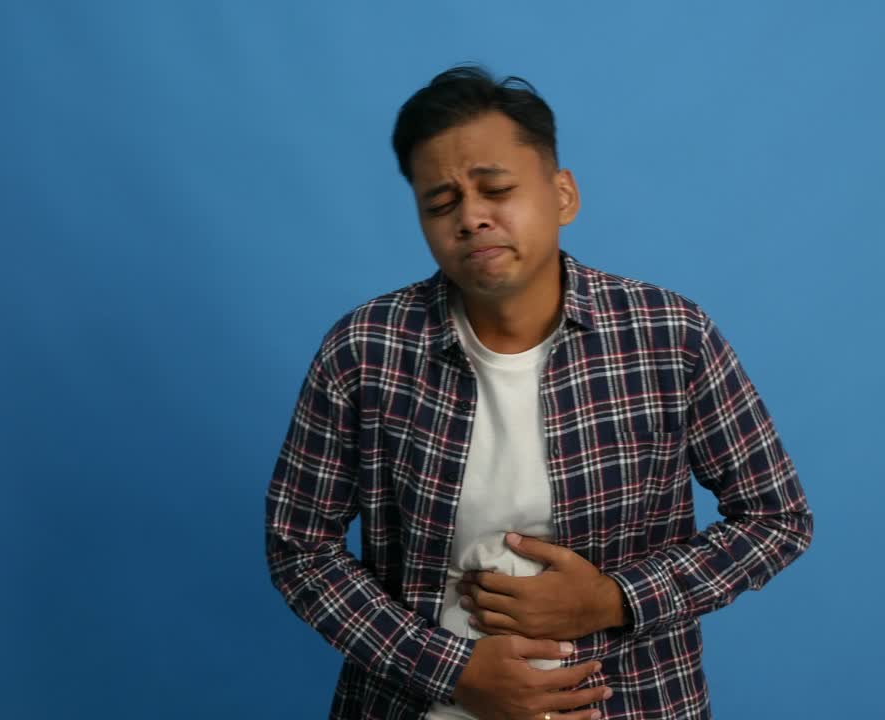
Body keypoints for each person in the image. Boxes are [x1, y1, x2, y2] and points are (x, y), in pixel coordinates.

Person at [265, 64, 813, 720]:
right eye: (441, 204)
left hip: (632, 702)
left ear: (563, 195)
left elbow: (776, 518)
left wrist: (616, 598)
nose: (471, 218)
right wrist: (452, 670)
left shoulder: (670, 335)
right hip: (415, 706)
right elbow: (299, 546)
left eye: (495, 188)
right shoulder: (365, 350)